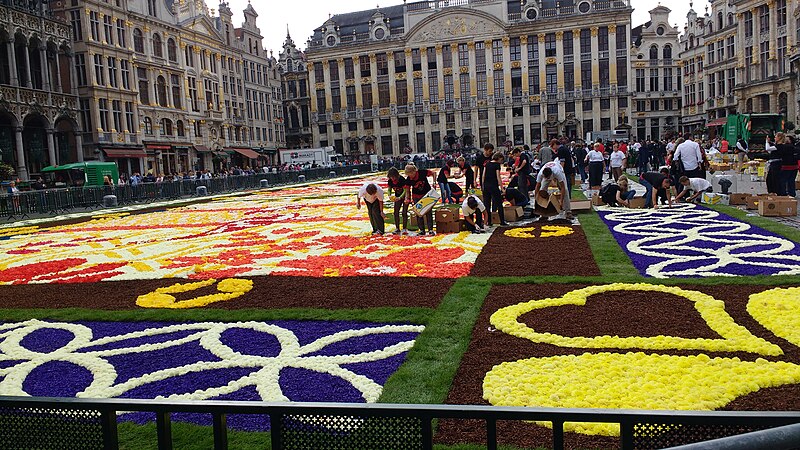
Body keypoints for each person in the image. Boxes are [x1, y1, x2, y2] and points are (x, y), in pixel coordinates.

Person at [404, 164, 437, 236]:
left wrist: (434, 183)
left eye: (410, 174)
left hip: (426, 195)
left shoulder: (422, 172)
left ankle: (430, 229)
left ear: (414, 172)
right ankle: (422, 230)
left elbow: (434, 173)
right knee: (419, 213)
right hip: (416, 196)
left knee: (428, 212)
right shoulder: (408, 179)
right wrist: (407, 198)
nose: (409, 176)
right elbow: (407, 190)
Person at [482, 152, 507, 227]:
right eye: (501, 160)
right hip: (493, 186)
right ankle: (502, 221)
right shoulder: (497, 165)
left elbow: (483, 175)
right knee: (499, 203)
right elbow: (498, 177)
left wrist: (483, 185)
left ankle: (489, 221)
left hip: (486, 186)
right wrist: (502, 188)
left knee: (487, 204)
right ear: (499, 158)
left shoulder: (487, 164)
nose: (501, 161)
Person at [387, 167, 408, 235]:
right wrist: (389, 195)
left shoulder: (401, 179)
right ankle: (397, 228)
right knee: (396, 212)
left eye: (394, 177)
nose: (392, 179)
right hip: (397, 197)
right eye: (391, 177)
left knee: (404, 212)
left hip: (405, 196)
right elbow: (389, 189)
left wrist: (400, 197)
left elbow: (405, 190)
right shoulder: (390, 181)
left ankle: (404, 228)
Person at [777, 133, 798, 198]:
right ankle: (792, 193)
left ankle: (783, 193)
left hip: (786, 166)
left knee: (783, 180)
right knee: (791, 180)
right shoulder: (795, 147)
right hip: (794, 166)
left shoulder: (783, 147)